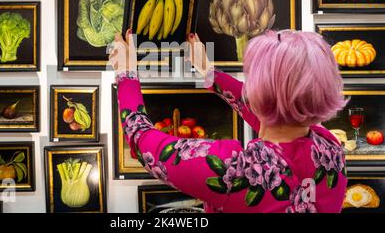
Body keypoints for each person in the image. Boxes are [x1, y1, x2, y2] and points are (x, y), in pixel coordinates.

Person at [109, 29, 348, 213]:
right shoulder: (330, 149)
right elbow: (278, 108)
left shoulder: (235, 171)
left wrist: (126, 73)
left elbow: (142, 140)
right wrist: (208, 71)